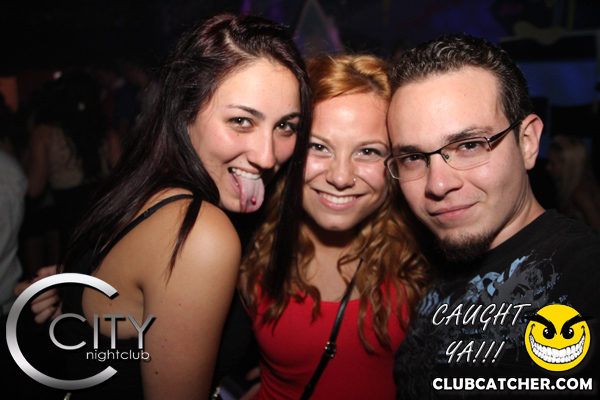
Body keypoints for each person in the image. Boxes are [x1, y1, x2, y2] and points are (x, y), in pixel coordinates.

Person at [15, 13, 311, 400]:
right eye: (241, 120)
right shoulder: (199, 233)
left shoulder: (140, 187)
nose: (268, 156)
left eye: (286, 126)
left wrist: (67, 286)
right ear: (184, 111)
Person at [385, 33, 600, 398]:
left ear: (527, 142)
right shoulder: (417, 269)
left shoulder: (586, 272)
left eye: (469, 145)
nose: (438, 184)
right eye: (413, 158)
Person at [240, 53, 429, 399]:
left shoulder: (428, 252)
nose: (340, 178)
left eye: (368, 152)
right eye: (318, 146)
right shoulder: (247, 237)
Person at [546, 135, 600, 227]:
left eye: (553, 164)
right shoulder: (585, 184)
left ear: (568, 166)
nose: (547, 167)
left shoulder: (580, 193)